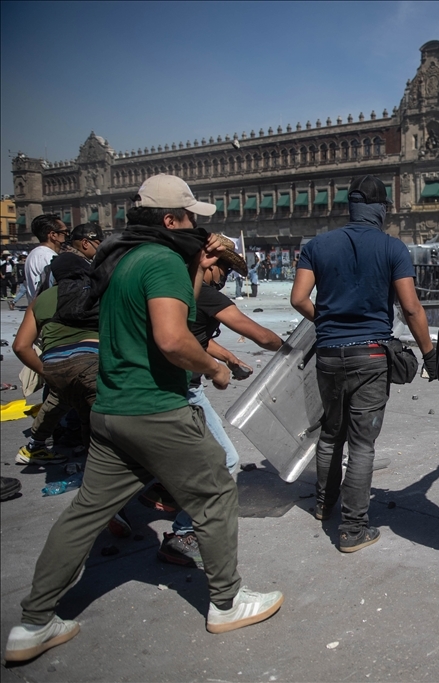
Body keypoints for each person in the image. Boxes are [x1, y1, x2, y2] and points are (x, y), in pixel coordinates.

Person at [4, 174, 283, 664]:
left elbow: (180, 312)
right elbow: (174, 339)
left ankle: (33, 623)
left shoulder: (123, 258)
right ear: (170, 220)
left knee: (85, 513)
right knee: (217, 490)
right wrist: (214, 366)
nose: (197, 226)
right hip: (154, 407)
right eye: (190, 217)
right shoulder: (161, 260)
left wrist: (196, 265)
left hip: (111, 410)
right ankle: (227, 602)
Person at [291, 175, 436, 552]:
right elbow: (411, 308)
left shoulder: (317, 245)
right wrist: (429, 354)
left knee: (330, 432)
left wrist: (327, 322)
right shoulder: (392, 248)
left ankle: (324, 505)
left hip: (328, 353)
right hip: (371, 355)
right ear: (381, 209)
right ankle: (353, 530)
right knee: (361, 444)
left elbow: (298, 298)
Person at [158, 235, 283, 568]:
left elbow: (192, 338)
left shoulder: (174, 292)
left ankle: (160, 491)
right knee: (224, 460)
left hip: (165, 386)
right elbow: (260, 335)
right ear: (209, 264)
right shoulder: (208, 296)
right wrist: (289, 347)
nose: (225, 278)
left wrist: (228, 358)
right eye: (225, 270)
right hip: (184, 390)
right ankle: (184, 533)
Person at [11, 256, 99, 467]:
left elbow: (20, 346)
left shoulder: (41, 299)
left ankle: (34, 446)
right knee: (97, 415)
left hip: (56, 364)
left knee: (59, 400)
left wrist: (45, 371)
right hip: (92, 361)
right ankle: (98, 466)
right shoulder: (95, 291)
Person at [24, 214, 68, 300]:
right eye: (64, 232)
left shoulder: (35, 253)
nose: (66, 235)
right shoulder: (49, 257)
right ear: (53, 235)